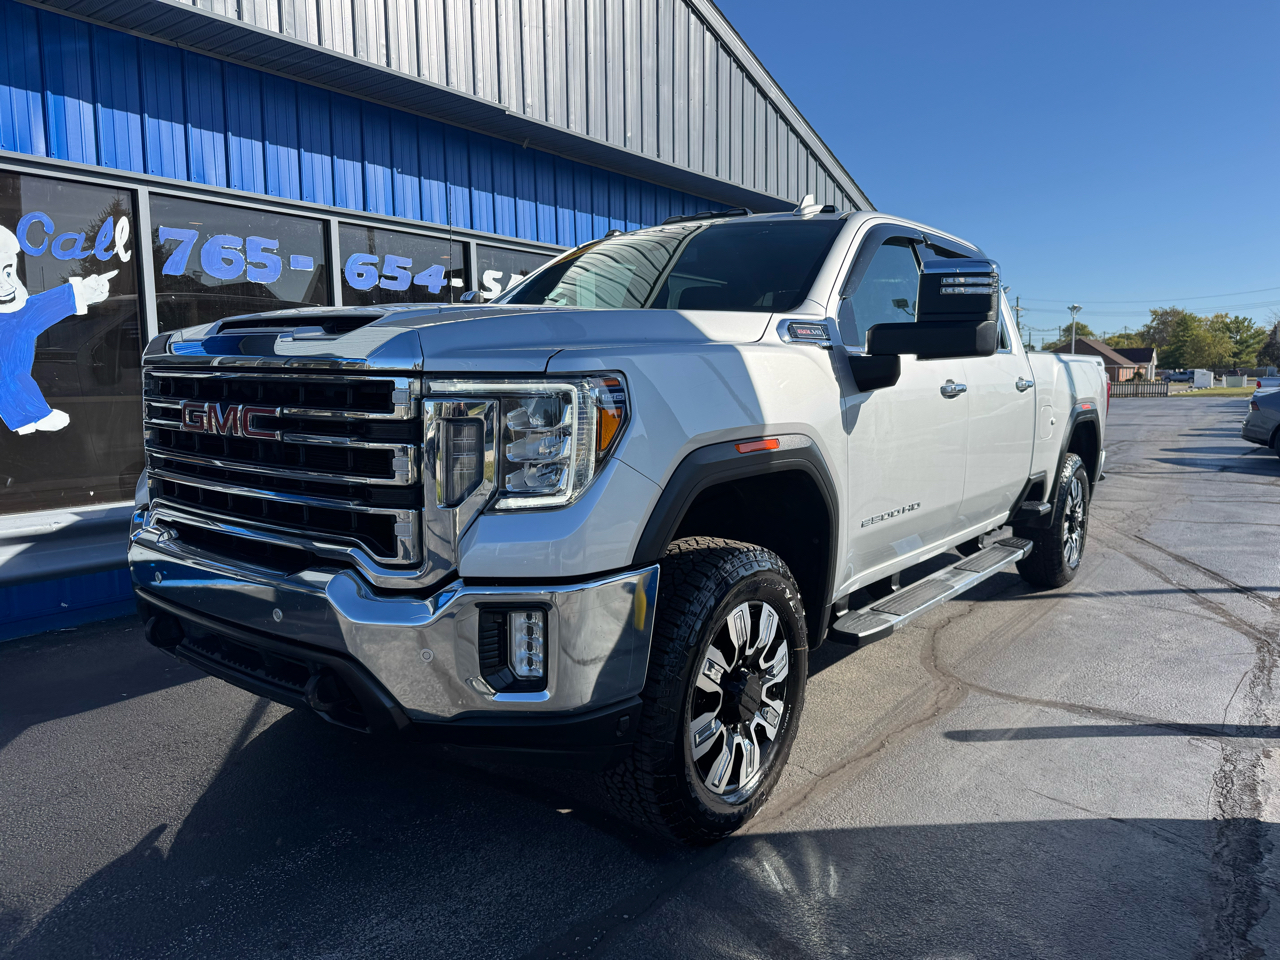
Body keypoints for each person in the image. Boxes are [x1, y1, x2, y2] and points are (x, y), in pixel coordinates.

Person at [0, 225, 116, 435]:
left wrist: (85, 291)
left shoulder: (17, 316)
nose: (6, 285)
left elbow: (42, 306)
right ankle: (31, 415)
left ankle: (30, 416)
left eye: (8, 272)